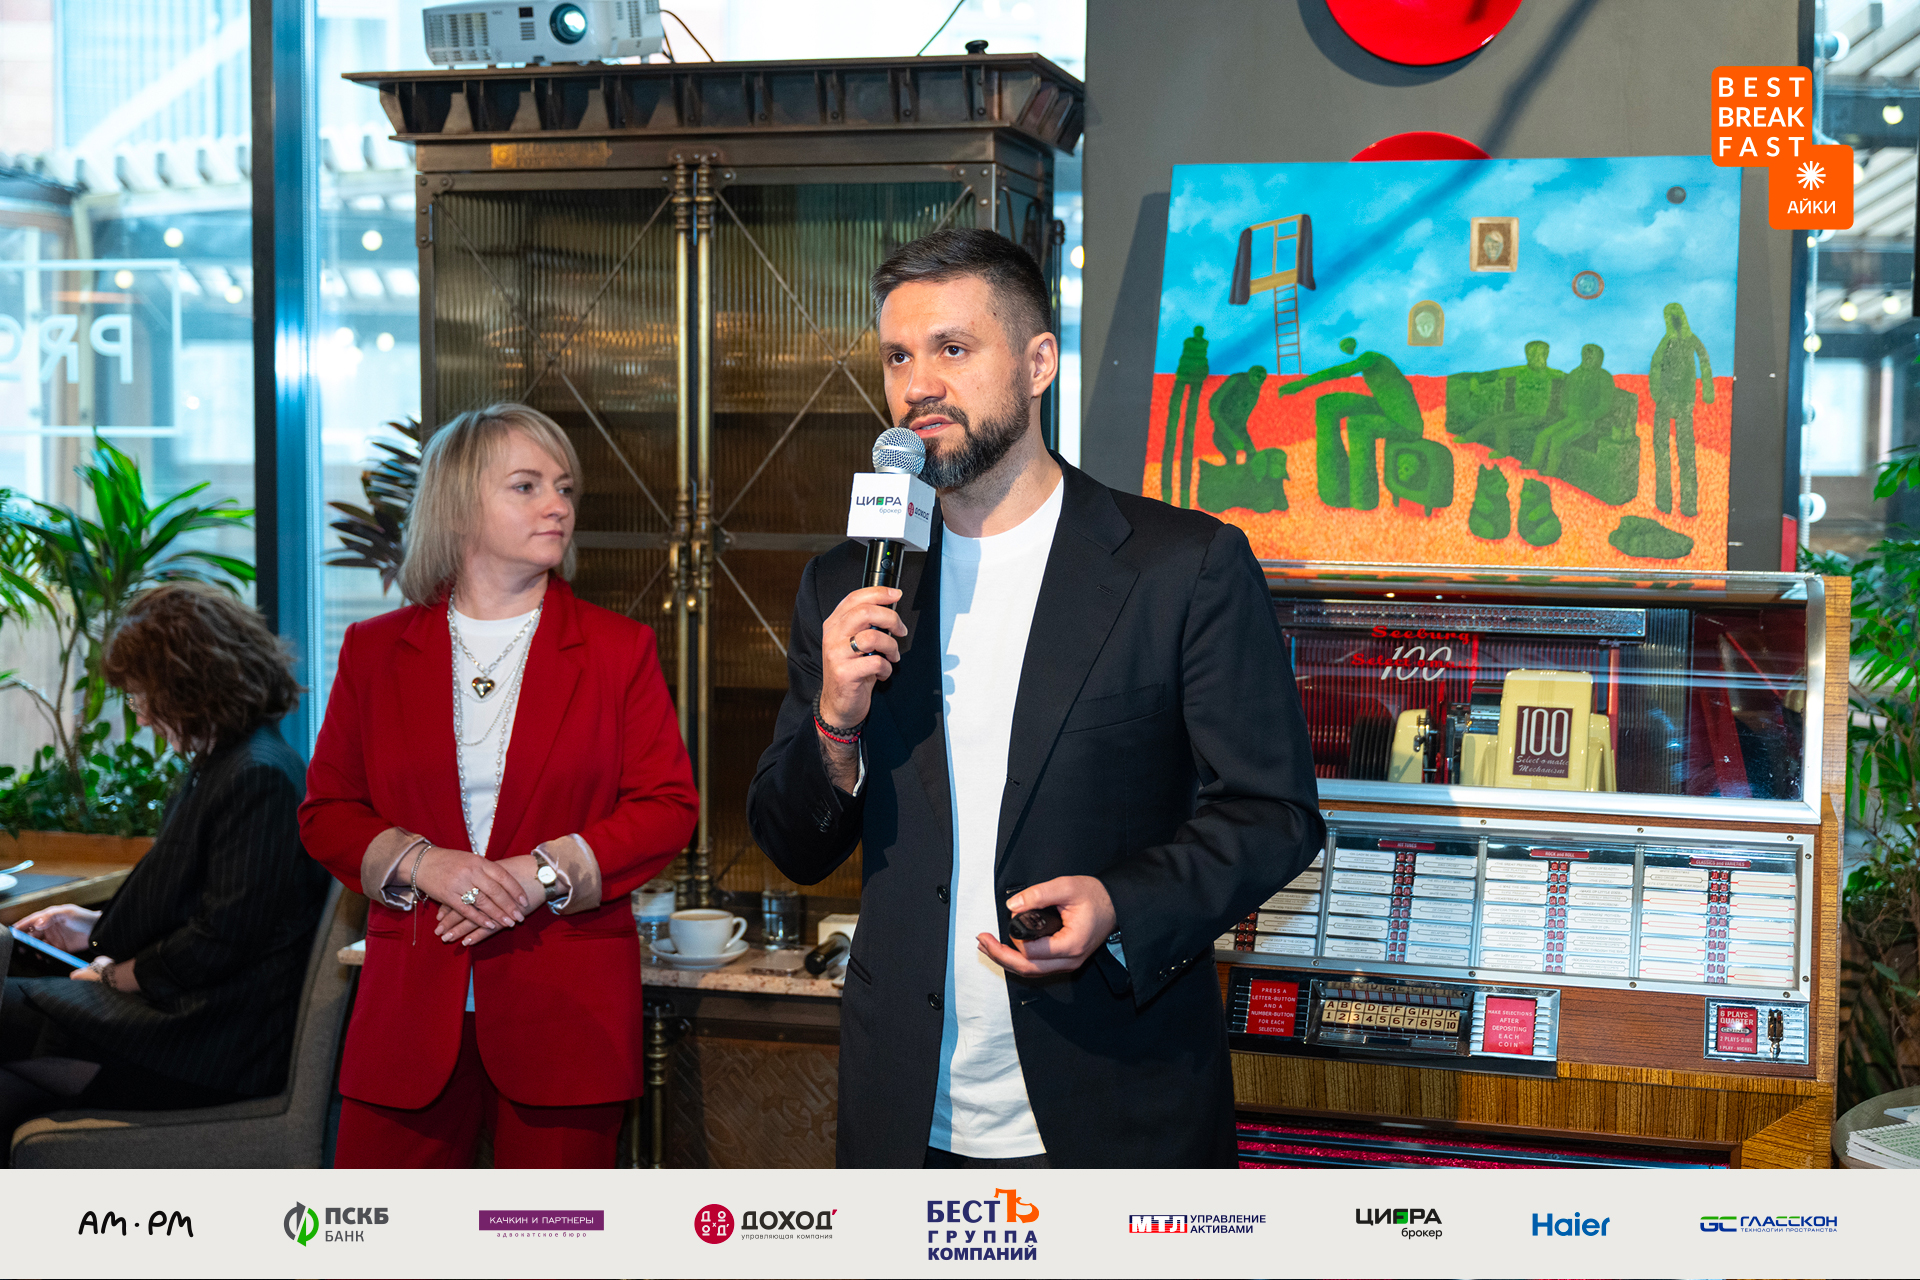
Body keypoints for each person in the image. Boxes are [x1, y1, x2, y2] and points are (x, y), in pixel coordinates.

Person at [746, 229, 1323, 1168]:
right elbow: (793, 846)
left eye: (952, 348)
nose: (919, 384)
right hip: (907, 1118)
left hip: (1115, 1110)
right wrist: (836, 723)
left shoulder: (1180, 567)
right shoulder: (851, 583)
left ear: (1039, 362)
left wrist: (1121, 903)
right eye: (898, 357)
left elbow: (1275, 814)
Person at [300, 403, 697, 1168]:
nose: (558, 505)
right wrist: (426, 864)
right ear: (458, 505)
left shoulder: (619, 650)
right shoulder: (373, 651)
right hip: (408, 1015)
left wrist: (537, 875)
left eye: (564, 487)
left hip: (566, 1011)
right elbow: (328, 812)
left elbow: (666, 808)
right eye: (526, 485)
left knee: (547, 1233)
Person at [2, 583, 329, 1139]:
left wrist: (117, 975)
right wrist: (92, 926)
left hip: (206, 1043)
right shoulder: (231, 763)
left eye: (141, 697)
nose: (144, 717)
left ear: (189, 686)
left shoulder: (257, 777)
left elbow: (225, 936)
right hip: (190, 1019)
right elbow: (205, 903)